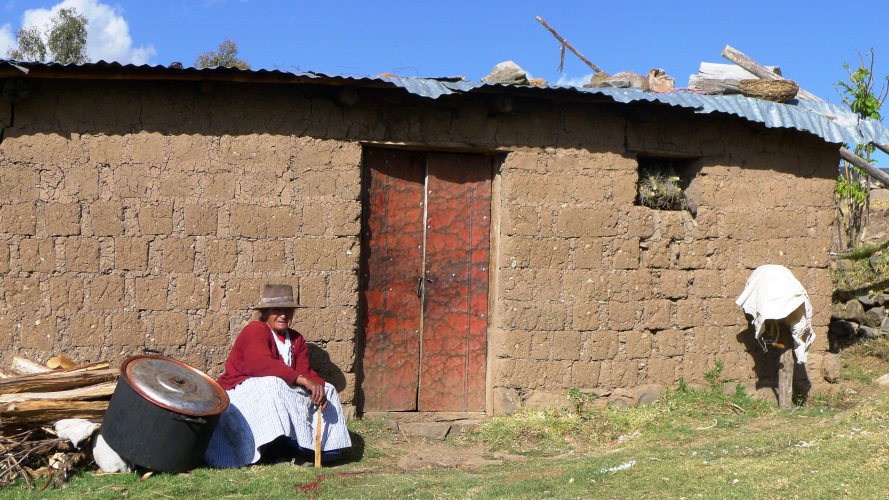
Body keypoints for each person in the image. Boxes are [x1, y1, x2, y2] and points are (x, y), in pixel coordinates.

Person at [204, 284, 352, 467]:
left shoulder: (297, 339)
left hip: (278, 388)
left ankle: (321, 449)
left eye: (287, 310)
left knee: (327, 389)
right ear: (265, 313)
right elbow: (260, 364)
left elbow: (304, 370)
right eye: (277, 310)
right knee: (273, 383)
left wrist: (316, 385)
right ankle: (272, 449)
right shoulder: (255, 330)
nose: (283, 315)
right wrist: (302, 380)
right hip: (241, 393)